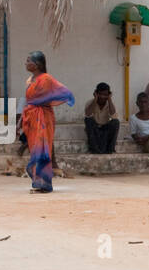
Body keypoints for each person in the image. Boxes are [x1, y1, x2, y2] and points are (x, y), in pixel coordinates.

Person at [19, 51, 74, 194]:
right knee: (35, 149)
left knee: (43, 149)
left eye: (28, 60)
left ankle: (45, 184)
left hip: (43, 118)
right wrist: (20, 121)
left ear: (37, 64)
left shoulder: (46, 79)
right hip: (31, 118)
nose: (26, 63)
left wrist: (39, 104)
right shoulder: (30, 80)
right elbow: (28, 102)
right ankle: (38, 182)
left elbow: (59, 93)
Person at [83, 82, 120, 154]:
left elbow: (113, 116)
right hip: (94, 129)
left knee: (116, 122)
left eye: (105, 95)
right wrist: (95, 99)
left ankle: (110, 149)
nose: (102, 97)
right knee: (88, 120)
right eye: (100, 94)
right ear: (96, 93)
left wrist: (109, 99)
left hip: (105, 129)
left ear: (109, 95)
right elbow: (88, 114)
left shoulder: (110, 104)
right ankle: (94, 149)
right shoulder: (90, 102)